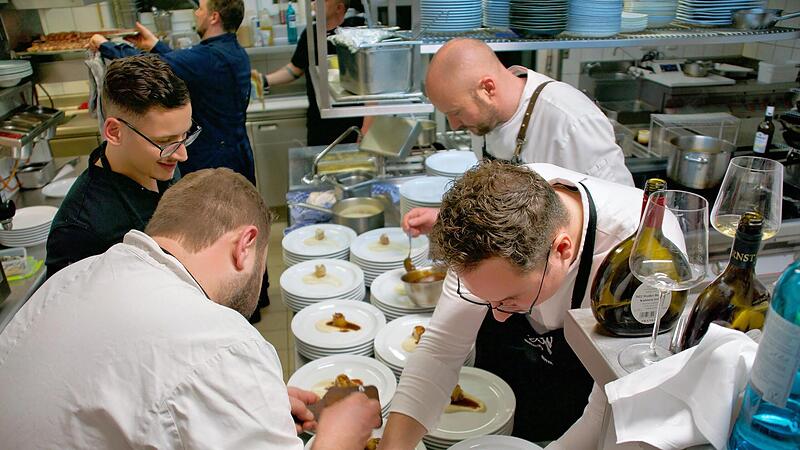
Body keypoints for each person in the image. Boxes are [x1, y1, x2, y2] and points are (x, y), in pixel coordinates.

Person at [0, 168, 382, 449]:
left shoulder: (74, 277)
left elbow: (118, 392)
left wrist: (240, 405)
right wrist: (337, 437)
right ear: (245, 245)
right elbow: (189, 364)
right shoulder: (222, 345)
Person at [380, 161, 645, 448]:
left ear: (562, 250)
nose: (499, 317)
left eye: (510, 300)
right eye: (485, 300)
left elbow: (609, 407)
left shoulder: (639, 257)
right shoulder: (484, 221)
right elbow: (440, 350)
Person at [45, 54, 193, 277]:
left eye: (185, 135)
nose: (183, 155)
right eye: (164, 141)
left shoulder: (162, 163)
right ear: (114, 132)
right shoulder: (79, 230)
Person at [425, 38, 633, 186]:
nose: (454, 125)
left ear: (488, 89)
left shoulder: (572, 122)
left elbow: (623, 216)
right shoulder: (486, 119)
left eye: (457, 112)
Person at [89, 0, 255, 184]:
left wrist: (104, 45)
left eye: (200, 9)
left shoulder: (209, 58)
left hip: (212, 161)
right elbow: (185, 67)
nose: (196, 13)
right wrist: (155, 44)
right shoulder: (234, 52)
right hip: (237, 154)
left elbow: (150, 65)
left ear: (214, 17)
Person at [256, 0, 369, 146]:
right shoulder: (311, 34)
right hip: (319, 122)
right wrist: (263, 80)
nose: (316, 2)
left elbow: (372, 85)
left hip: (352, 123)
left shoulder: (357, 30)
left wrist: (366, 129)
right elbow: (295, 69)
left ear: (339, 7)